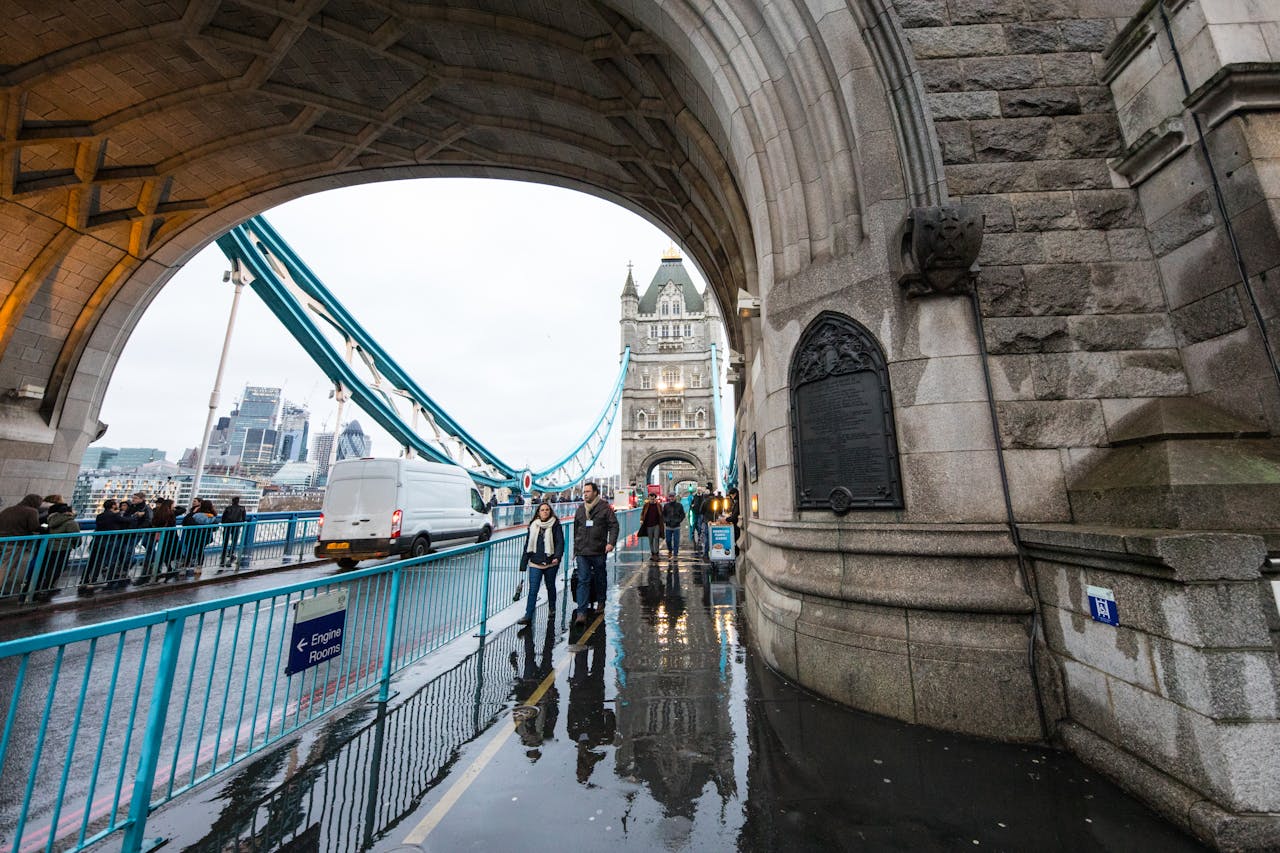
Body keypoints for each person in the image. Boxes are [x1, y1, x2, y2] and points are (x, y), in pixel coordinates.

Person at [571, 482, 618, 627]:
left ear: (596, 493)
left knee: (600, 578)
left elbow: (614, 525)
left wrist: (611, 543)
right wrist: (575, 549)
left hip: (598, 550)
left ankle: (601, 601)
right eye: (584, 491)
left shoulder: (605, 508)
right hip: (582, 552)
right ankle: (581, 612)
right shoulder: (580, 509)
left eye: (588, 491)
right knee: (583, 580)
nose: (585, 494)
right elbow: (576, 529)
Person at [517, 501, 564, 628]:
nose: (545, 512)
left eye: (547, 510)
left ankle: (552, 608)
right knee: (533, 590)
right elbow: (528, 543)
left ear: (550, 511)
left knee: (550, 586)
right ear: (538, 512)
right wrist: (524, 562)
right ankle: (528, 615)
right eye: (542, 510)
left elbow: (560, 542)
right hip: (535, 562)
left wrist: (557, 557)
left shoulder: (555, 524)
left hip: (550, 563)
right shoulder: (533, 525)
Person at [31, 502, 79, 601]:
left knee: (49, 567)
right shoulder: (71, 522)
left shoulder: (51, 519)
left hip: (50, 547)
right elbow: (76, 537)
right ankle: (46, 587)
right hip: (63, 548)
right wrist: (76, 545)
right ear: (68, 512)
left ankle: (40, 587)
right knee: (59, 567)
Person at [81, 499, 129, 593]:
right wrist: (135, 516)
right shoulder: (114, 516)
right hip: (108, 541)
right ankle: (94, 581)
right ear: (113, 506)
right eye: (116, 504)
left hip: (97, 540)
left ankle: (85, 579)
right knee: (102, 561)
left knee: (92, 560)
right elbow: (126, 520)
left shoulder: (100, 516)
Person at [181, 499, 217, 575]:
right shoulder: (212, 517)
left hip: (193, 536)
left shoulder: (196, 515)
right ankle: (199, 567)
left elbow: (185, 522)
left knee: (190, 551)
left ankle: (185, 567)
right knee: (200, 551)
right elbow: (214, 528)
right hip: (204, 537)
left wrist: (192, 513)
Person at [219, 496, 247, 568]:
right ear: (238, 501)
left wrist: (224, 524)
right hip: (237, 526)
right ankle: (231, 552)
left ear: (232, 501)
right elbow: (244, 518)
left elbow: (223, 518)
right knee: (234, 540)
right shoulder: (242, 508)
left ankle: (224, 553)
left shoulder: (228, 508)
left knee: (225, 539)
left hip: (228, 525)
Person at [638, 494, 663, 560]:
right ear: (649, 498)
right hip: (648, 525)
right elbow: (642, 513)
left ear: (655, 498)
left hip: (656, 525)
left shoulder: (658, 505)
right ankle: (652, 553)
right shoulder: (646, 505)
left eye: (653, 498)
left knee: (656, 538)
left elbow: (661, 513)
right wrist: (641, 519)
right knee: (650, 540)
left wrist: (662, 521)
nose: (652, 499)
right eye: (650, 498)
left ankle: (656, 553)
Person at [661, 493, 685, 557]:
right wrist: (666, 520)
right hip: (668, 526)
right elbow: (663, 515)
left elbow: (683, 515)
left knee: (676, 540)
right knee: (668, 540)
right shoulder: (666, 506)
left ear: (675, 497)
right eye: (670, 497)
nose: (671, 498)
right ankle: (670, 550)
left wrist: (678, 520)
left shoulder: (679, 505)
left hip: (676, 526)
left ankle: (675, 554)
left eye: (673, 497)